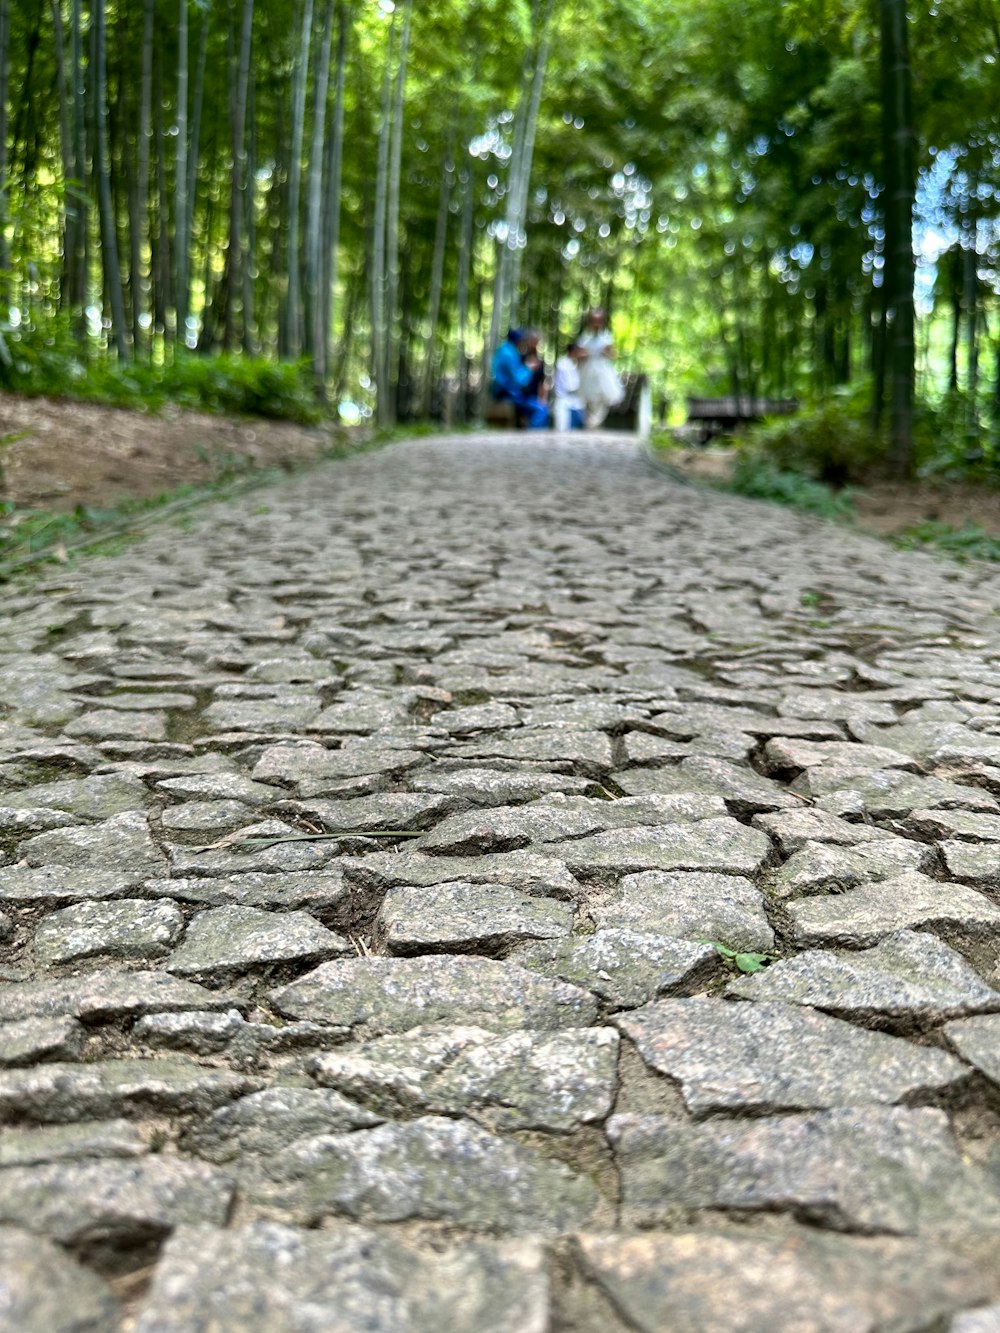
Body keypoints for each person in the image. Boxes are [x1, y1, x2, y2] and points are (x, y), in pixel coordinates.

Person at [489, 327, 549, 428]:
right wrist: (529, 368)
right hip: (507, 393)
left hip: (511, 392)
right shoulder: (509, 353)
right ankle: (534, 436)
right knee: (541, 410)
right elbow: (518, 380)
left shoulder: (505, 349)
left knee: (538, 407)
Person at [577, 307, 624, 428]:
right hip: (587, 369)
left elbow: (612, 355)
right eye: (593, 320)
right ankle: (589, 421)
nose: (596, 324)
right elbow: (579, 355)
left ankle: (596, 421)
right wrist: (584, 354)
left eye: (598, 320)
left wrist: (606, 352)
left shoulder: (607, 337)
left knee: (602, 395)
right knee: (588, 396)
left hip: (603, 370)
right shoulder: (584, 337)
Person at [552, 342, 586, 431]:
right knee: (562, 429)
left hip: (574, 401)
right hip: (563, 399)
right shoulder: (562, 364)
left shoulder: (574, 364)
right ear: (574, 351)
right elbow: (569, 386)